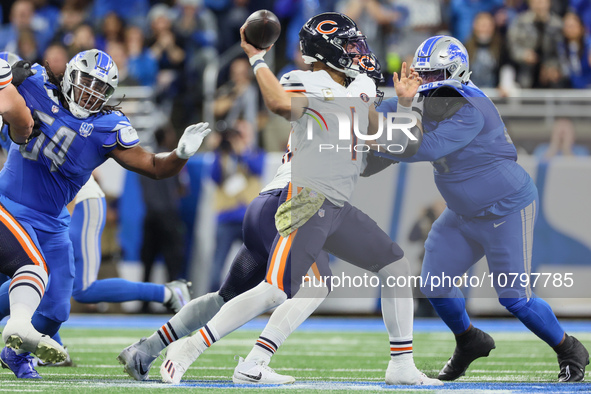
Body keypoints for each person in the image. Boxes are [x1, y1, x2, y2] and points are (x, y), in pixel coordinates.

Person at [119, 12, 441, 386]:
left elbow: (388, 146)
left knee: (391, 268)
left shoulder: (354, 93)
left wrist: (406, 105)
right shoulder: (310, 81)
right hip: (300, 200)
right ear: (327, 50)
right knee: (290, 288)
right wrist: (257, 58)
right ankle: (215, 355)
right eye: (351, 46)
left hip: (318, 205)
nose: (359, 53)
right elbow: (277, 102)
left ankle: (148, 347)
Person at [376, 35, 590, 382]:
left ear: (454, 71)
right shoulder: (434, 98)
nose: (425, 83)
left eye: (434, 76)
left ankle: (568, 348)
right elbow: (382, 116)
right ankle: (468, 340)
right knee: (434, 285)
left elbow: (420, 147)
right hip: (462, 213)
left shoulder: (470, 106)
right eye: (423, 74)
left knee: (515, 298)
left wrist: (382, 130)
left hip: (505, 209)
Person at [0, 49, 211, 379]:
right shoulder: (35, 83)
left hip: (53, 221)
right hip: (11, 208)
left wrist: (180, 154)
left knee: (57, 310)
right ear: (69, 74)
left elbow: (155, 167)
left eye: (100, 88)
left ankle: (14, 348)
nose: (90, 91)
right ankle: (15, 338)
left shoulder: (107, 127)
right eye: (86, 81)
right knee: (29, 278)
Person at [0, 56, 68, 375]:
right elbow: (22, 123)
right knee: (31, 267)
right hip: (18, 203)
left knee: (57, 301)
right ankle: (19, 326)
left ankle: (18, 331)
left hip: (52, 216)